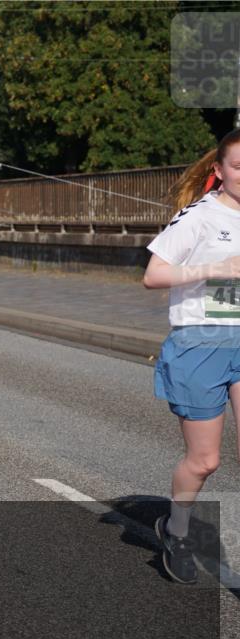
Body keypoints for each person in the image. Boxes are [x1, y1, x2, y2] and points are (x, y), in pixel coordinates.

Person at [144, 131, 240, 584]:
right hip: (201, 342)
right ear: (218, 171)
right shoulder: (199, 216)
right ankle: (176, 530)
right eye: (238, 167)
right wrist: (215, 269)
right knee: (205, 461)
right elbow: (154, 274)